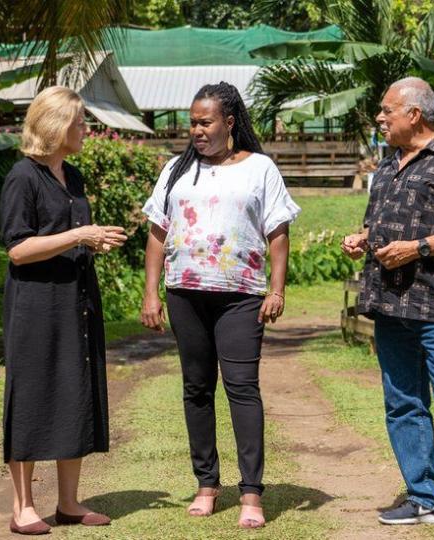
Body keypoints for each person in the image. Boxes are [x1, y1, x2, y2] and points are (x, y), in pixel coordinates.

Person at [139, 82, 300, 529]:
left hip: (241, 295)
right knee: (196, 388)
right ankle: (207, 484)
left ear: (229, 122)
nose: (196, 130)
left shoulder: (260, 168)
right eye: (192, 122)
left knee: (242, 386)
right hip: (185, 293)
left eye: (205, 121)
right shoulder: (175, 169)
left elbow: (278, 233)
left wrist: (277, 290)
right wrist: (151, 293)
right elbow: (157, 233)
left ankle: (251, 493)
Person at [341, 77, 434, 540]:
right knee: (403, 403)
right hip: (389, 304)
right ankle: (424, 496)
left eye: (388, 111)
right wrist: (364, 238)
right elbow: (381, 223)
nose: (380, 119)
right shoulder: (387, 167)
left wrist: (418, 248)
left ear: (415, 114)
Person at [0, 86, 127, 535]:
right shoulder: (23, 176)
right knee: (33, 395)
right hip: (35, 305)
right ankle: (23, 507)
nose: (85, 129)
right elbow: (18, 248)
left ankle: (69, 503)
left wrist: (95, 240)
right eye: (78, 121)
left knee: (75, 390)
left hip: (76, 298)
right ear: (55, 126)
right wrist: (79, 236)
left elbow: (72, 233)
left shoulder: (71, 177)